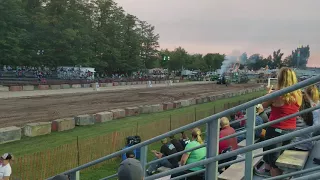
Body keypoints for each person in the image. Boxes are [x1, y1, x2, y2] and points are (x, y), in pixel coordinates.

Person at [257, 67, 302, 177]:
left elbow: (261, 106)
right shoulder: (298, 94)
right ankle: (268, 170)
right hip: (291, 130)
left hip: (276, 130)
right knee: (280, 155)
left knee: (275, 162)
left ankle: (272, 172)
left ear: (280, 79)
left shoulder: (276, 95)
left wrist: (268, 94)